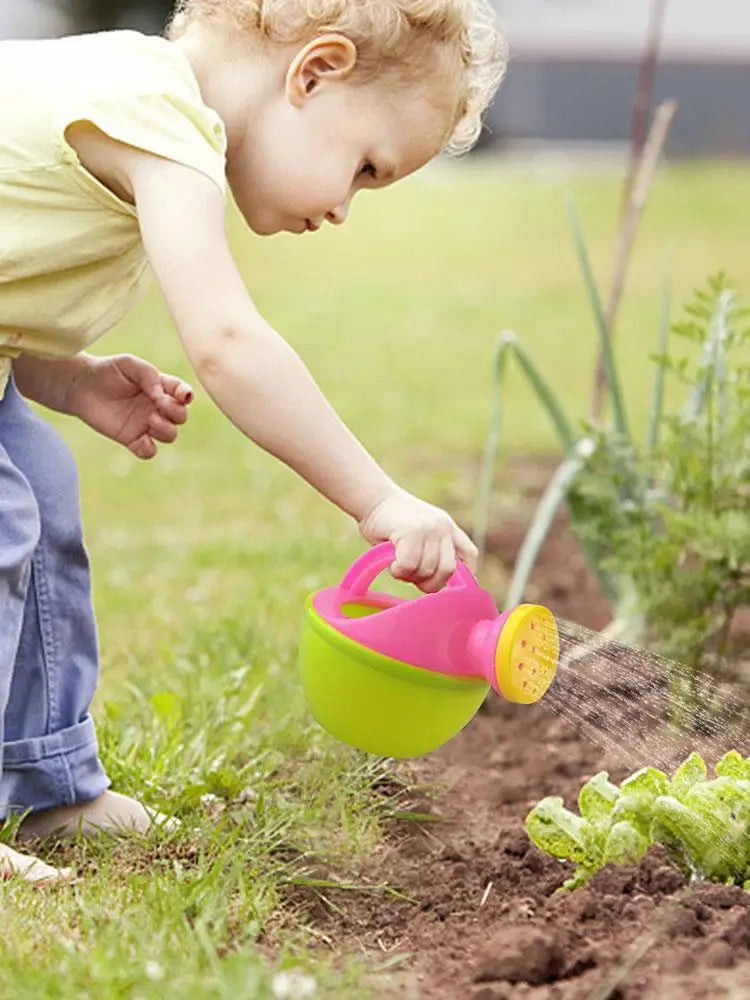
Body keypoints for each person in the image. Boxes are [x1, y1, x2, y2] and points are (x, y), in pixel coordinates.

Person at [0, 0, 507, 883]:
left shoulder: (135, 99)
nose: (347, 207)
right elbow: (229, 344)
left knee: (37, 485)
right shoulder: (157, 114)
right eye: (364, 168)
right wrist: (378, 499)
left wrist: (72, 379)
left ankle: (53, 783)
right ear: (314, 71)